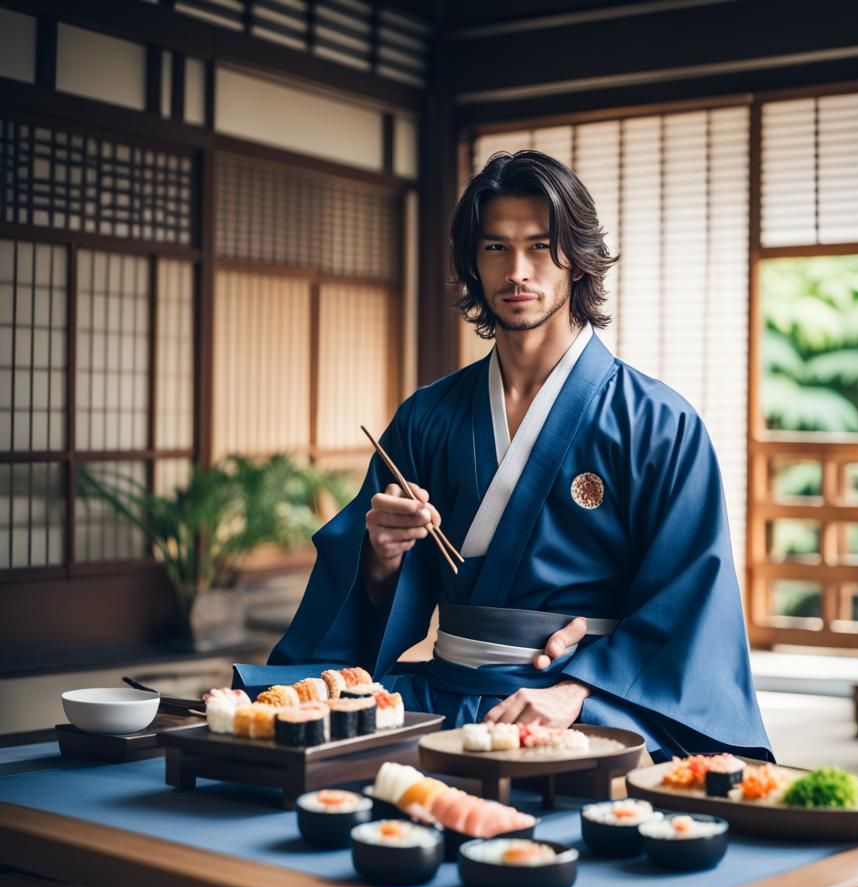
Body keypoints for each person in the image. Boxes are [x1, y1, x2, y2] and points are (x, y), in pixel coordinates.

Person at [246, 150, 772, 762]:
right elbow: (362, 598)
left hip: (591, 701)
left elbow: (690, 603)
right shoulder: (428, 416)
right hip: (448, 694)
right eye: (495, 248)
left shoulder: (658, 423)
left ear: (575, 257)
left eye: (540, 246)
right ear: (473, 262)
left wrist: (578, 687)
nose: (517, 271)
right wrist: (382, 555)